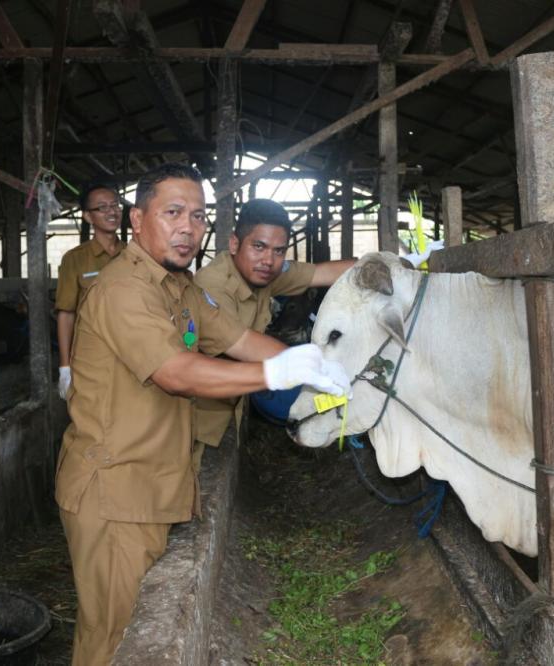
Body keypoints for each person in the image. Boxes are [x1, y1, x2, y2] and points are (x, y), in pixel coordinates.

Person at [54, 163, 349, 666]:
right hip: (115, 491)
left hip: (154, 482)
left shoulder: (181, 287)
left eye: (198, 215)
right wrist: (274, 375)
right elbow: (176, 372)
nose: (188, 227)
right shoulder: (123, 289)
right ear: (137, 219)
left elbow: (235, 339)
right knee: (113, 639)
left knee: (132, 629)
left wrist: (309, 362)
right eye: (173, 213)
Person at [192, 198, 356, 461]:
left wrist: (392, 264)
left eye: (279, 251)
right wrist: (316, 364)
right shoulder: (213, 284)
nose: (268, 260)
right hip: (197, 415)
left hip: (228, 406)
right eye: (259, 246)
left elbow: (322, 273)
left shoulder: (263, 272)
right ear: (235, 244)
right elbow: (242, 343)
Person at [55, 184, 125, 400]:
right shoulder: (75, 259)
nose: (112, 211)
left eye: (115, 205)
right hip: (92, 359)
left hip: (131, 356)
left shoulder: (135, 256)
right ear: (88, 216)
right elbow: (66, 313)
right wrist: (65, 367)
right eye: (102, 207)